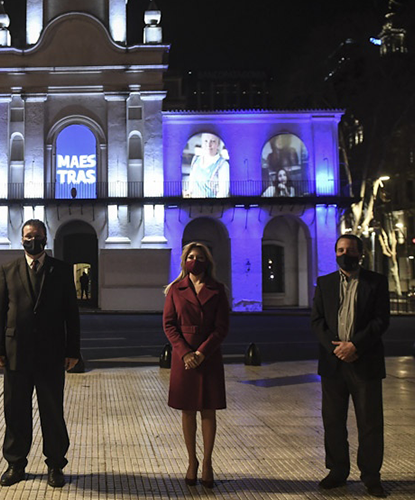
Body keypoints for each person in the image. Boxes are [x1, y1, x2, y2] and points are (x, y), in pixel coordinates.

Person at [0, 219, 81, 488]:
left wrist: (72, 350)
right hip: (15, 352)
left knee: (52, 412)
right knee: (15, 412)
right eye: (29, 236)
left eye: (38, 236)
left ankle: (55, 465)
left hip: (52, 354)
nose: (33, 240)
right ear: (21, 240)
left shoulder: (62, 271)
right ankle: (15, 463)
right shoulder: (8, 269)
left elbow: (71, 315)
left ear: (46, 239)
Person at [311, 234, 390, 498]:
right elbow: (317, 321)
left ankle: (371, 476)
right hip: (333, 364)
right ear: (335, 254)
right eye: (341, 249)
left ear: (360, 253)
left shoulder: (376, 282)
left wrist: (355, 345)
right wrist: (336, 348)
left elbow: (381, 320)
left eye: (351, 250)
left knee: (370, 422)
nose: (346, 253)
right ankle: (337, 471)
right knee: (333, 421)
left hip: (364, 361)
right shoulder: (325, 283)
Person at [163, 242, 229, 489]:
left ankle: (208, 463)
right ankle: (192, 461)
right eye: (190, 256)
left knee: (208, 410)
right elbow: (169, 325)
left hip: (209, 355)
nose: (195, 260)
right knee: (188, 410)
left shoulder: (218, 289)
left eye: (199, 257)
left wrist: (202, 352)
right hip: (184, 358)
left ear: (207, 261)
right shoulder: (175, 289)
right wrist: (185, 353)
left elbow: (222, 327)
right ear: (184, 261)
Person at [185, 133, 230, 198]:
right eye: (206, 141)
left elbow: (222, 194)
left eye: (213, 141)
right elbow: (191, 187)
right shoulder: (195, 160)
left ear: (218, 144)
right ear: (202, 143)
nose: (209, 145)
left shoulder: (223, 165)